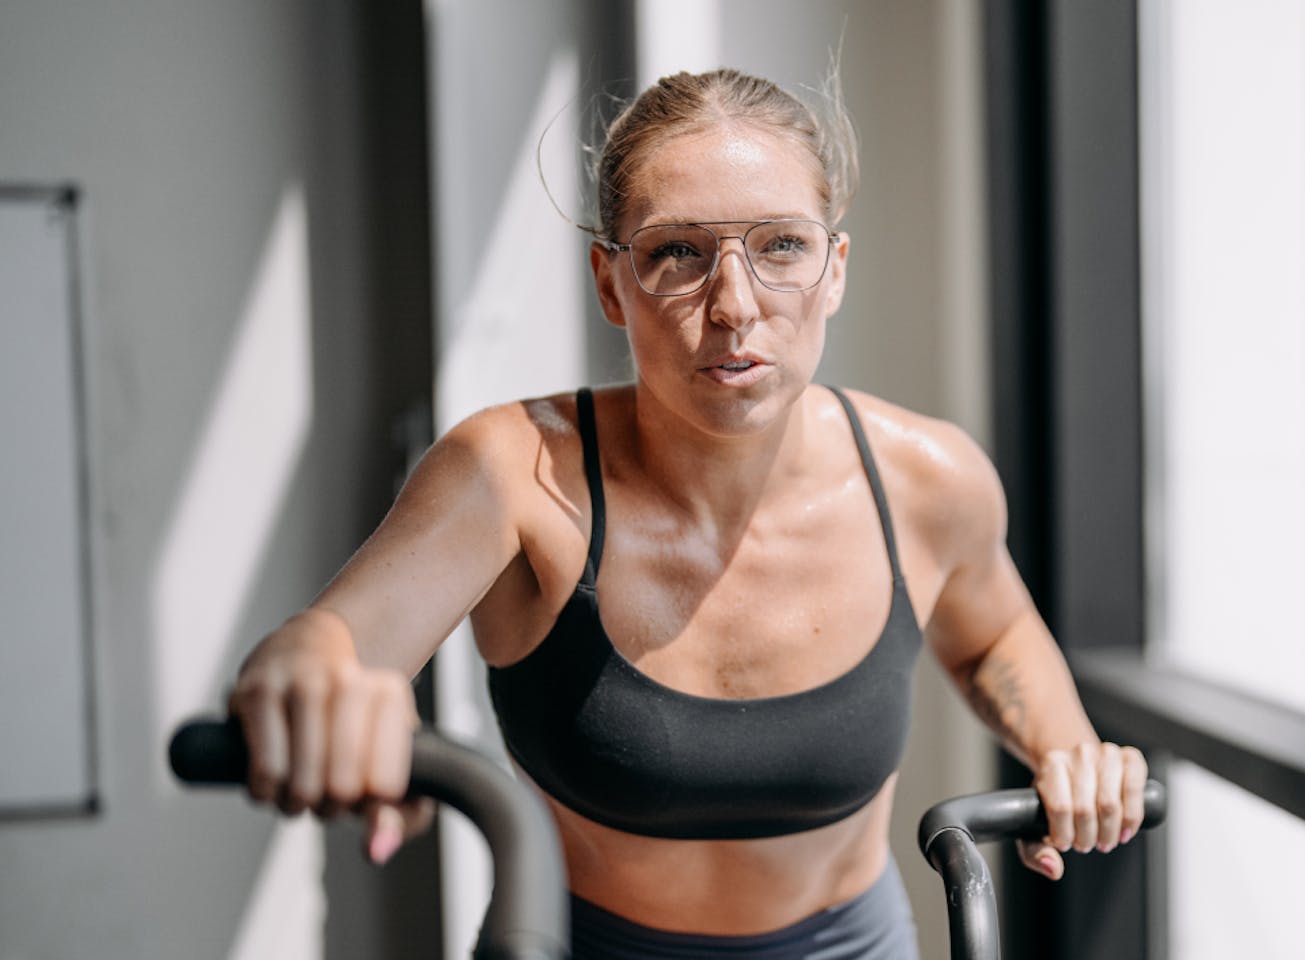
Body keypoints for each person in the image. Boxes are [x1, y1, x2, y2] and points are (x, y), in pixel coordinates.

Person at [228, 68, 1149, 959]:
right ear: (608, 283)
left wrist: (1068, 753)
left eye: (781, 246)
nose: (734, 307)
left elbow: (991, 637)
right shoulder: (513, 474)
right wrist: (309, 671)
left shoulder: (928, 479)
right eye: (678, 254)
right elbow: (338, 643)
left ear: (833, 270)